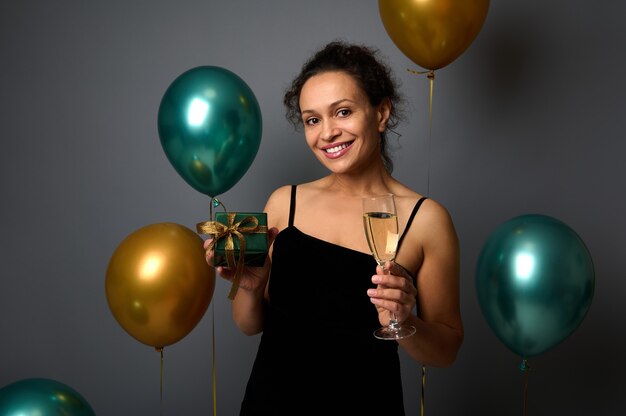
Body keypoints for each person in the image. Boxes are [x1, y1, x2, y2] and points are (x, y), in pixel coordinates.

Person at [205, 40, 463, 415]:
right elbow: (249, 325)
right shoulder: (283, 203)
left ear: (381, 113)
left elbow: (447, 350)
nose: (327, 133)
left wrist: (406, 322)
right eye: (312, 119)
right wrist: (251, 286)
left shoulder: (426, 219)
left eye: (342, 112)